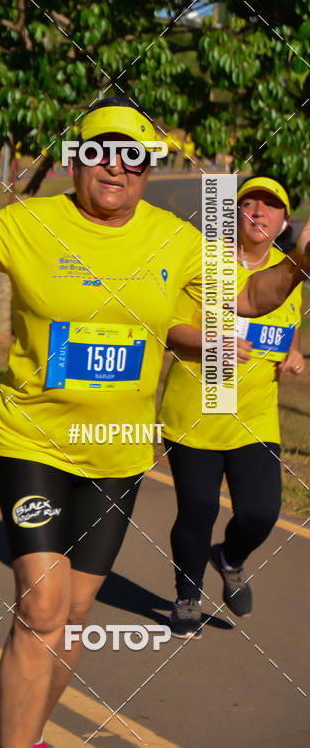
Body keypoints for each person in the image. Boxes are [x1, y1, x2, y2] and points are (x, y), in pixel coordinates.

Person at [0, 98, 310, 748]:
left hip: (120, 455)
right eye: (99, 151)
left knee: (73, 612)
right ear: (75, 160)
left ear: (149, 169)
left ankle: (31, 735)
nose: (115, 166)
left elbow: (249, 299)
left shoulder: (175, 240)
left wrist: (298, 266)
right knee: (39, 607)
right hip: (31, 440)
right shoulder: (29, 222)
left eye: (133, 156)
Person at [159, 176, 304, 638]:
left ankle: (230, 557)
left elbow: (285, 326)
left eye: (271, 206)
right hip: (195, 411)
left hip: (255, 417)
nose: (259, 213)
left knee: (261, 513)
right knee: (198, 511)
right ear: (234, 213)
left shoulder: (289, 270)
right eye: (249, 203)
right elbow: (168, 326)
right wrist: (211, 341)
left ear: (283, 221)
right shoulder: (204, 261)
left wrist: (293, 353)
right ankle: (187, 597)